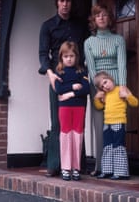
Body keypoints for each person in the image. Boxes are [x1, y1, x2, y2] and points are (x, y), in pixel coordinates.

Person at [39, 0, 88, 177]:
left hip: (77, 77)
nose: (65, 4)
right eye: (61, 1)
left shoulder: (80, 25)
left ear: (71, 3)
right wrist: (50, 74)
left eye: (68, 1)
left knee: (78, 123)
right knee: (58, 122)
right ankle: (55, 164)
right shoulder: (48, 25)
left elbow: (84, 51)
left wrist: (85, 75)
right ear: (57, 2)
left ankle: (78, 165)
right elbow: (43, 53)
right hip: (57, 78)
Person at [84, 4, 128, 177]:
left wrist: (122, 87)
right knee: (99, 126)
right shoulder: (89, 42)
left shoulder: (118, 40)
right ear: (94, 20)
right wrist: (98, 89)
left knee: (117, 126)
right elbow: (92, 68)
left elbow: (122, 64)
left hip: (116, 87)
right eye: (97, 16)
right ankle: (101, 167)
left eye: (104, 15)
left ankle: (119, 168)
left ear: (109, 19)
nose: (101, 18)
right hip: (98, 89)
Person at [93, 71, 138, 180]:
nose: (105, 86)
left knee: (118, 146)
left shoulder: (121, 89)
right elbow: (99, 107)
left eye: (105, 82)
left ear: (111, 79)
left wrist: (127, 96)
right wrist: (96, 98)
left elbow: (135, 103)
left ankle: (121, 172)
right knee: (107, 146)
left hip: (118, 122)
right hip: (107, 123)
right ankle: (107, 170)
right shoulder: (105, 95)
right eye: (102, 86)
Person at [54, 41, 90, 181]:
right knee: (65, 135)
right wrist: (74, 86)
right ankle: (65, 168)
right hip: (64, 108)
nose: (69, 59)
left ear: (77, 57)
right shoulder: (60, 72)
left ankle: (76, 168)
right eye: (66, 56)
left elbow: (86, 89)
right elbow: (58, 89)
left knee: (77, 136)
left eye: (72, 56)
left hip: (78, 107)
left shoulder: (82, 71)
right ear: (61, 57)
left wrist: (71, 94)